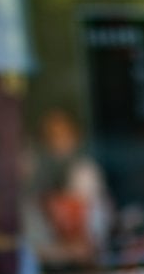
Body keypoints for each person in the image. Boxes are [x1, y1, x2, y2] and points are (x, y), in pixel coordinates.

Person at [25, 109, 111, 263]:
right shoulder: (34, 181)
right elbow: (33, 245)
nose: (56, 144)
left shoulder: (85, 173)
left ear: (76, 137)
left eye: (62, 136)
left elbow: (91, 241)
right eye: (49, 137)